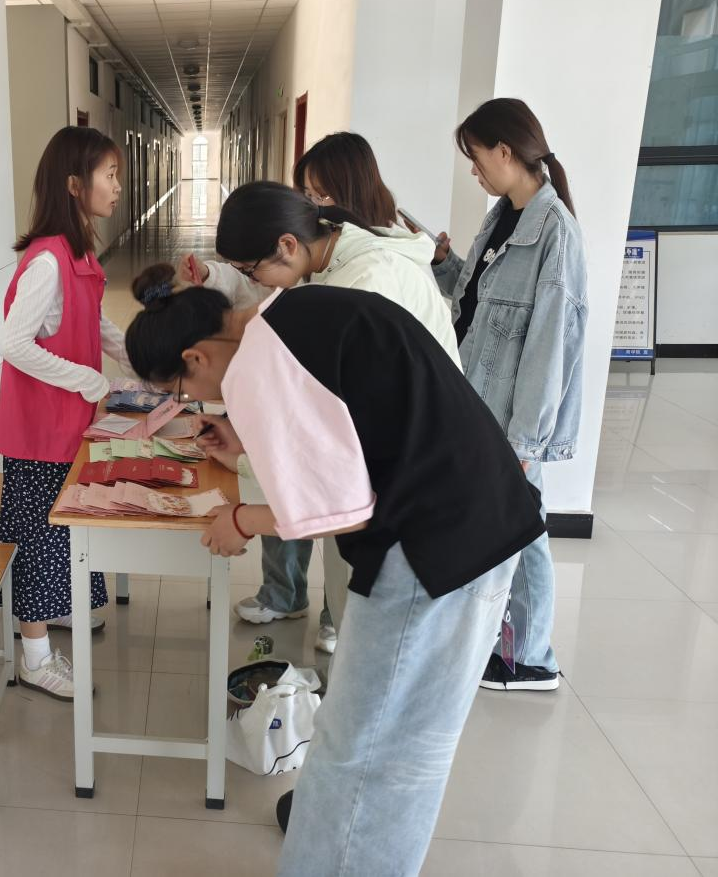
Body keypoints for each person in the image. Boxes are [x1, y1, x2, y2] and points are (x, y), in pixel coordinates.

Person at [124, 265, 545, 875]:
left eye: (184, 392)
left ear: (195, 357)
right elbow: (345, 430)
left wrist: (241, 519)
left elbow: (341, 509)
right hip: (469, 519)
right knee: (371, 741)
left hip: (435, 550)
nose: (195, 402)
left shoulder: (258, 363)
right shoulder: (291, 314)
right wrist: (245, 438)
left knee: (375, 751)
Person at [183, 168, 459, 657]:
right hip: (385, 485)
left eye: (252, 271)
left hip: (412, 499)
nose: (254, 283)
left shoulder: (368, 281)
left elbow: (334, 476)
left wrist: (243, 516)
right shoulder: (332, 268)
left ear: (287, 245)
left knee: (375, 655)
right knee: (354, 637)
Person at [431, 98, 587, 692]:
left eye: (476, 157)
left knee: (524, 530)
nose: (473, 170)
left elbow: (550, 346)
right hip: (479, 399)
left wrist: (525, 442)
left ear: (505, 150)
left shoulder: (555, 233)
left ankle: (531, 658)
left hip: (510, 418)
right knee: (512, 526)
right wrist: (446, 264)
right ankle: (511, 643)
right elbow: (479, 303)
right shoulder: (505, 216)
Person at [0, 125, 130, 700]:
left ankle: (65, 607)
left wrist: (140, 362)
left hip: (68, 425)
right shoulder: (48, 261)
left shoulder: (79, 251)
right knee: (39, 538)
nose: (117, 186)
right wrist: (89, 380)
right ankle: (34, 657)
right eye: (109, 175)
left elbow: (96, 322)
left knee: (68, 526)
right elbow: (14, 343)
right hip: (39, 432)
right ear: (75, 184)